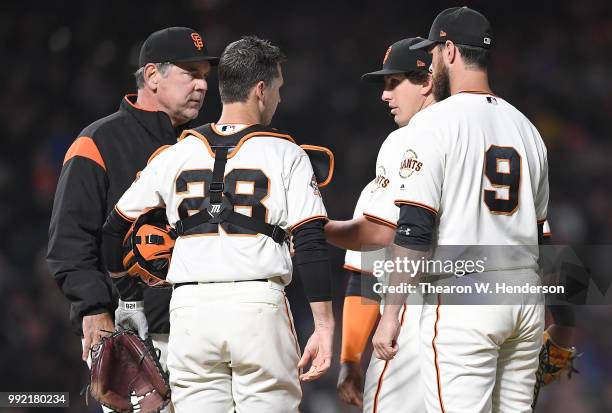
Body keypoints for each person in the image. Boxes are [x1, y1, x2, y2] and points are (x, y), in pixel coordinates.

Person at [101, 35, 335, 412]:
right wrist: (323, 327)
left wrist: (128, 297)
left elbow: (114, 230)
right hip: (257, 304)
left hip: (190, 310)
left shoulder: (175, 154)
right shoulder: (286, 152)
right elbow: (310, 240)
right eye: (278, 88)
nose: (279, 98)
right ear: (260, 89)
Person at [372, 7, 550, 412]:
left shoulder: (433, 124)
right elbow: (545, 235)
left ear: (448, 51)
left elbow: (414, 230)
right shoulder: (527, 128)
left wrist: (390, 313)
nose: (431, 60)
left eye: (433, 51)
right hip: (525, 295)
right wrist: (561, 324)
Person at [47, 26, 218, 412]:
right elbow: (69, 240)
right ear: (153, 75)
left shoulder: (206, 146)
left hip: (207, 329)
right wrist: (92, 308)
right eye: (191, 73)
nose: (203, 85)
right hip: (135, 336)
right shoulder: (98, 141)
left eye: (205, 76)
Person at [326, 38, 433, 412]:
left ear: (427, 81)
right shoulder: (507, 132)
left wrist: (312, 228)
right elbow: (365, 276)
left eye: (395, 83)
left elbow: (377, 237)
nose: (385, 96)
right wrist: (350, 357)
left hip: (417, 315)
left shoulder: (406, 141)